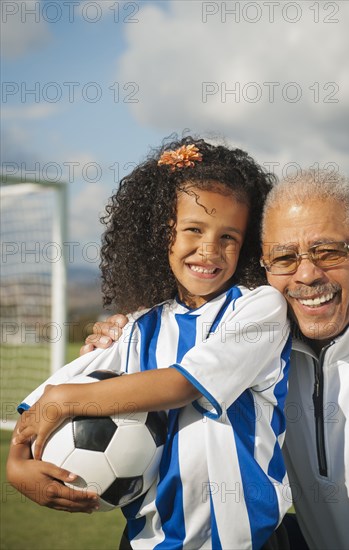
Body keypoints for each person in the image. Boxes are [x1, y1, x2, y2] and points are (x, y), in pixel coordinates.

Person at [88, 168, 349, 549]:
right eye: (285, 257)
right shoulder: (265, 336)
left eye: (328, 251)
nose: (306, 274)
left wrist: (64, 400)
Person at [8, 137, 293, 550]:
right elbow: (43, 403)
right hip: (147, 541)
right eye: (193, 229)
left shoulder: (260, 308)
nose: (210, 250)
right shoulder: (137, 327)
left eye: (229, 237)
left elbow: (183, 384)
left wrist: (68, 400)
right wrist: (17, 467)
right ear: (161, 233)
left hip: (249, 541)